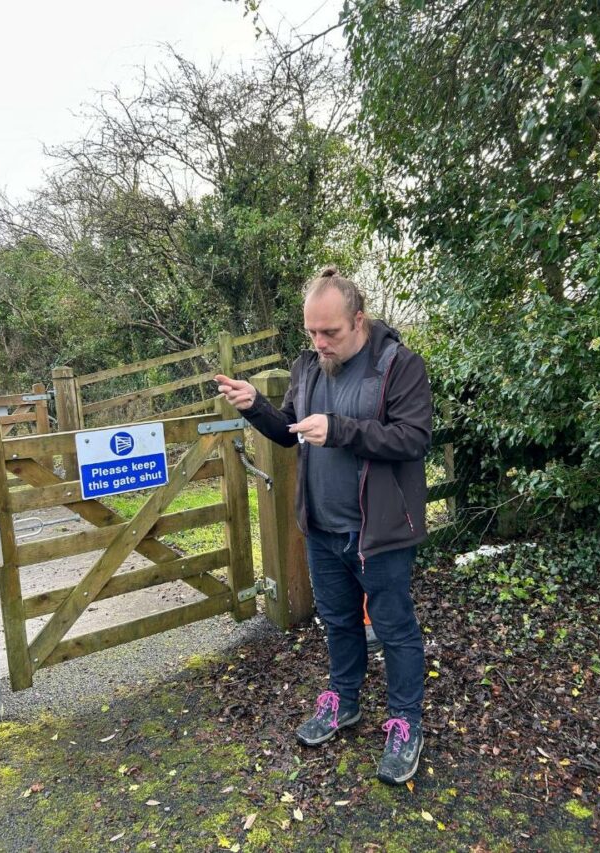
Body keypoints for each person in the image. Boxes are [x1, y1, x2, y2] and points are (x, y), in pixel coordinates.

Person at [215, 267, 432, 785]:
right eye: (311, 331)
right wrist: (256, 407)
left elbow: (412, 438)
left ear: (358, 320)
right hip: (322, 527)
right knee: (337, 621)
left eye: (329, 332)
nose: (319, 342)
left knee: (395, 630)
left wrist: (340, 429)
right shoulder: (308, 367)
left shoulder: (398, 365)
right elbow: (290, 432)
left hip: (379, 532)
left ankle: (406, 721)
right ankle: (344, 700)